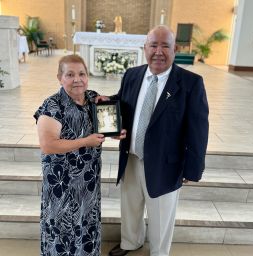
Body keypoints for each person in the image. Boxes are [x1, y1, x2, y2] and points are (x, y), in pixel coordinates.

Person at [98, 25, 209, 256]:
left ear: (174, 49)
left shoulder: (190, 83)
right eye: (153, 45)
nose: (158, 51)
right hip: (131, 156)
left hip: (165, 162)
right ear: (144, 48)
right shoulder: (133, 74)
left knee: (161, 213)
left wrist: (193, 168)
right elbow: (123, 101)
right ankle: (131, 242)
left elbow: (198, 129)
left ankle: (159, 252)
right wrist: (107, 104)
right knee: (130, 207)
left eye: (165, 46)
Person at [34, 55, 107, 255]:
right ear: (60, 77)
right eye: (70, 74)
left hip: (88, 186)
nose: (77, 79)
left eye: (82, 74)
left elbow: (104, 126)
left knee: (87, 229)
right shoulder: (52, 105)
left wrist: (115, 133)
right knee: (62, 234)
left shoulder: (93, 98)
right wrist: (86, 141)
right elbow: (48, 145)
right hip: (63, 186)